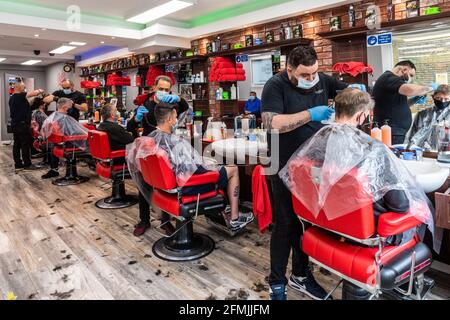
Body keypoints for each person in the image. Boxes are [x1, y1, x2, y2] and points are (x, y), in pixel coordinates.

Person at [261, 46, 363, 300]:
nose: (312, 79)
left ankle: (301, 274)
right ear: (290, 70)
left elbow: (346, 92)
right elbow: (271, 122)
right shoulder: (275, 86)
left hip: (312, 163)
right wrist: (310, 115)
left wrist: (357, 91)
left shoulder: (321, 80)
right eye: (306, 75)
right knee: (285, 224)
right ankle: (277, 282)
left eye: (315, 73)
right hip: (282, 162)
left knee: (305, 223)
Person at [280, 87, 433, 248]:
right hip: (368, 235)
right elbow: (400, 205)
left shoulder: (317, 142)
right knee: (423, 209)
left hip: (329, 227)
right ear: (361, 116)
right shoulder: (373, 150)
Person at [128, 102, 254, 233]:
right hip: (187, 187)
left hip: (164, 187)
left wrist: (203, 162)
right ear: (170, 119)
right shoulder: (174, 141)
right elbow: (197, 169)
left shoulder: (150, 139)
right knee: (233, 168)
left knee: (214, 165)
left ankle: (224, 210)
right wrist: (210, 166)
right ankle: (234, 217)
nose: (177, 120)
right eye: (176, 117)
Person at [127, 76, 190, 236]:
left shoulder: (171, 103)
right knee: (144, 186)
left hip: (166, 150)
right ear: (154, 88)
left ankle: (165, 221)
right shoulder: (145, 105)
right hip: (147, 152)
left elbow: (185, 106)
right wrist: (136, 118)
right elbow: (130, 126)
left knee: (165, 186)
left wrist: (179, 97)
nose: (163, 92)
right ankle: (144, 220)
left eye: (167, 90)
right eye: (160, 89)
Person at [373, 61, 434, 145]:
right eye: (411, 75)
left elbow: (397, 104)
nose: (410, 78)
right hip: (390, 131)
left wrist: (415, 99)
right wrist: (430, 88)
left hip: (394, 131)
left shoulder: (391, 82)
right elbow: (411, 90)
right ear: (403, 69)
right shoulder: (389, 78)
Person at [40, 98, 87, 179]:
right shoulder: (64, 118)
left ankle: (54, 170)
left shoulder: (53, 116)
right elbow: (76, 132)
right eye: (69, 107)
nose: (70, 109)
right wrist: (87, 132)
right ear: (65, 107)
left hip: (57, 145)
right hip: (69, 145)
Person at [9, 82, 44, 171]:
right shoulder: (18, 96)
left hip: (16, 124)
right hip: (22, 125)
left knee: (16, 145)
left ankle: (18, 164)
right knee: (25, 145)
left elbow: (24, 108)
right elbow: (32, 93)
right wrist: (40, 91)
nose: (25, 89)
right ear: (19, 88)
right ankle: (27, 164)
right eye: (24, 88)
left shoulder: (13, 98)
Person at [405, 84, 450, 151]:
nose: (442, 101)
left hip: (445, 153)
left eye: (446, 99)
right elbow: (412, 134)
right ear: (433, 97)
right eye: (439, 98)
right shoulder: (423, 114)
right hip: (422, 152)